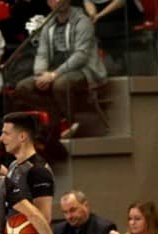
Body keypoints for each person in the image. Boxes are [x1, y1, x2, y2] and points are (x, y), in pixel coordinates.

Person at [14, 0, 106, 139]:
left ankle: (69, 122)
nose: (57, 1)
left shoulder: (83, 21)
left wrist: (54, 75)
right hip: (53, 71)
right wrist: (40, 74)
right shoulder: (47, 24)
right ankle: (56, 117)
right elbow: (42, 53)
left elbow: (80, 56)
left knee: (60, 84)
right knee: (23, 87)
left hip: (84, 70)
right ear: (48, 3)